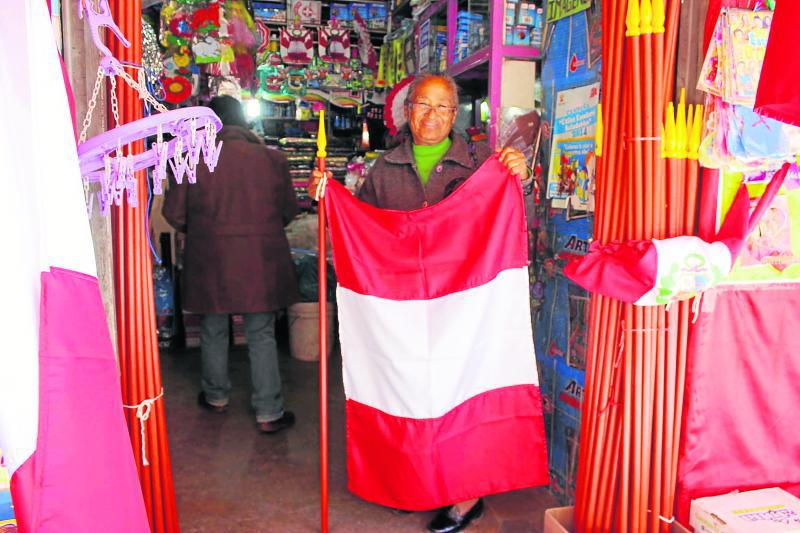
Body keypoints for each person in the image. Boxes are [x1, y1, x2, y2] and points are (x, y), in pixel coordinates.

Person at [309, 72, 530, 532]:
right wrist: (330, 200)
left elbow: (508, 206)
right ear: (408, 111)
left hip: (467, 304)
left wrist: (520, 176)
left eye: (442, 107)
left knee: (464, 393)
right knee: (409, 393)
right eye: (422, 105)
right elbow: (363, 229)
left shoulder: (481, 162)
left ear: (455, 115)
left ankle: (466, 497)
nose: (431, 116)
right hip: (403, 306)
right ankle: (414, 482)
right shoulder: (384, 168)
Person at [164, 95, 298, 434]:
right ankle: (269, 412)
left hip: (211, 260)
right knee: (262, 332)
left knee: (212, 328)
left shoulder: (191, 159)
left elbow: (174, 214)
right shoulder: (273, 160)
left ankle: (215, 396)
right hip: (260, 261)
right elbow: (288, 212)